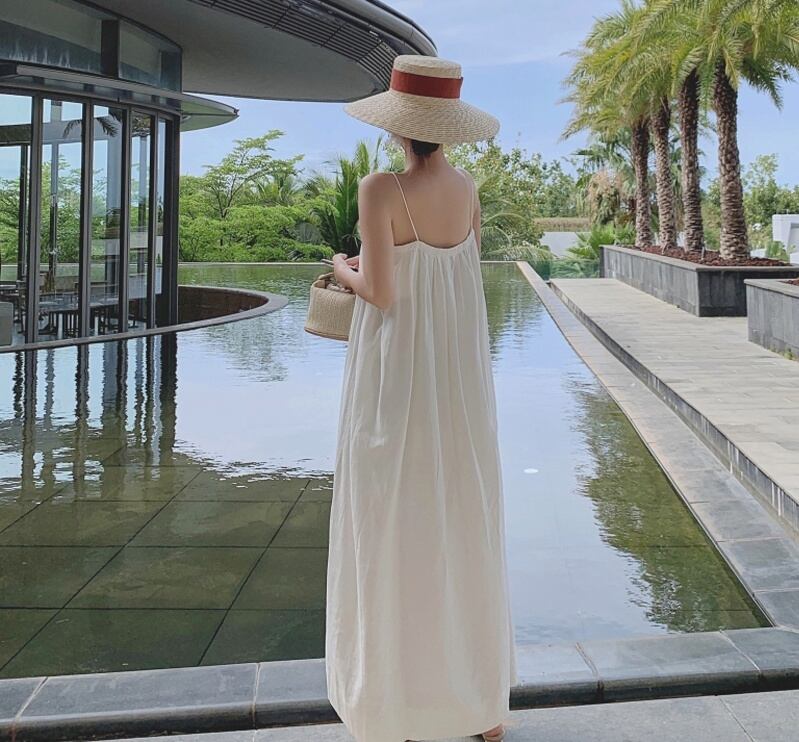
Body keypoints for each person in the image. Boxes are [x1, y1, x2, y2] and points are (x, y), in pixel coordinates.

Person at [327, 54, 517, 742]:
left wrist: (341, 269)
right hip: (455, 382)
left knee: (389, 522)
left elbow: (381, 292)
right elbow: (455, 277)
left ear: (397, 127)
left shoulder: (379, 187)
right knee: (460, 518)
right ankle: (479, 707)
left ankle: (392, 708)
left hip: (395, 375)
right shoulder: (467, 189)